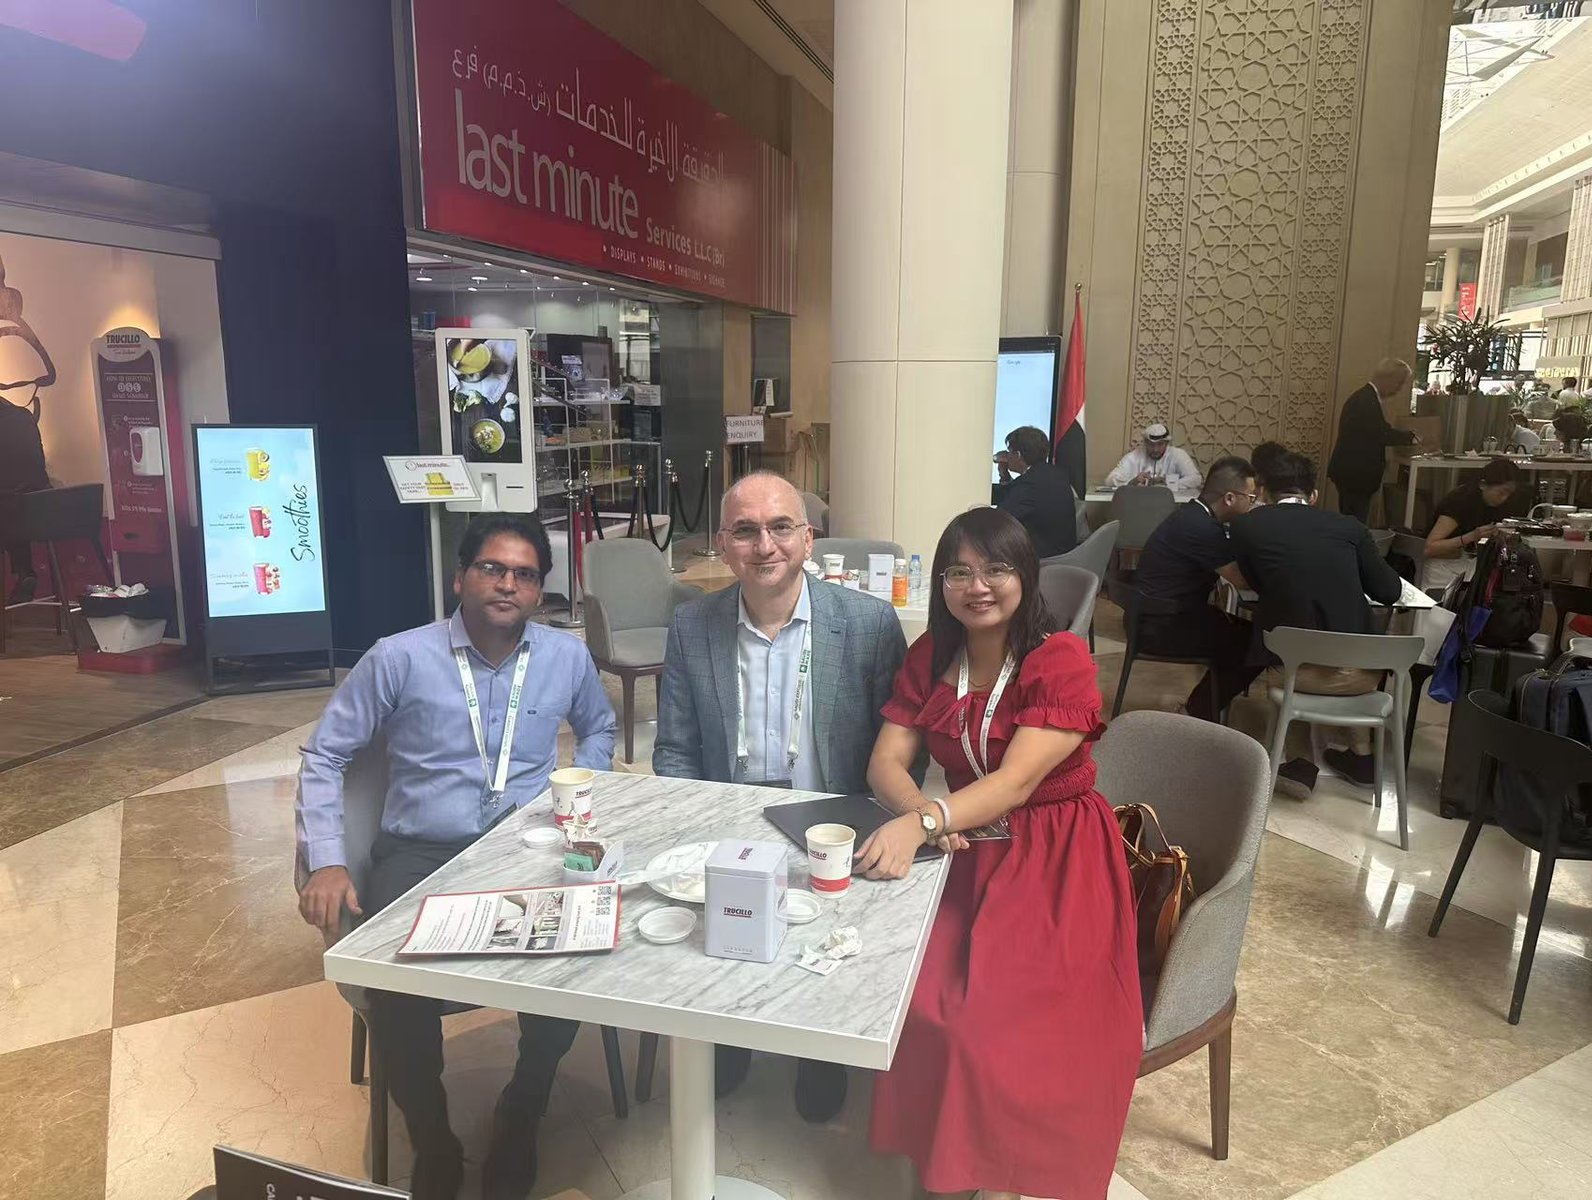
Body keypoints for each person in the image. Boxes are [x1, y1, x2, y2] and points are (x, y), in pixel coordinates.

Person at [296, 514, 616, 1200]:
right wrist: (326, 859)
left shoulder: (566, 658)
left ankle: (524, 1107)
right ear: (460, 578)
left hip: (529, 846)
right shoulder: (399, 657)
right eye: (492, 568)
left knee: (573, 957)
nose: (507, 584)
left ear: (540, 590)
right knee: (396, 981)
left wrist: (579, 796)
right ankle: (432, 1136)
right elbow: (325, 755)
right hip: (422, 851)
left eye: (525, 574)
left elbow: (598, 726)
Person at [858, 506, 1140, 1200]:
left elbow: (1016, 783)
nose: (976, 586)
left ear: (1026, 575)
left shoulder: (1058, 658)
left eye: (996, 569)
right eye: (959, 572)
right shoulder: (933, 653)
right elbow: (885, 761)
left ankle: (998, 1169)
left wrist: (926, 821)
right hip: (965, 845)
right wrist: (924, 816)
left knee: (988, 1029)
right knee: (914, 999)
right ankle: (941, 1164)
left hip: (1057, 855)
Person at [654, 470, 911, 1122]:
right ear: (722, 545)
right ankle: (731, 1037)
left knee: (822, 942)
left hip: (832, 817)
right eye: (745, 531)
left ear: (808, 538)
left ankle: (818, 1052)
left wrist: (875, 819)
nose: (764, 545)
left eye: (780, 527)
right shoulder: (692, 626)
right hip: (729, 813)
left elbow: (905, 743)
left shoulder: (868, 624)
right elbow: (676, 747)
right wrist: (695, 829)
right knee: (726, 931)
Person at [1229, 452, 1402, 797]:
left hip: (1293, 675)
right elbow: (1388, 591)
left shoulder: (1248, 526)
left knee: (1289, 644)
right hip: (1362, 676)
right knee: (1343, 638)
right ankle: (1362, 756)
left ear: (1264, 492)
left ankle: (1300, 762)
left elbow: (1255, 581)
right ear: (1314, 494)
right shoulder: (1350, 528)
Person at [1134, 456, 1262, 719]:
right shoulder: (1202, 528)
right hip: (1162, 627)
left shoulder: (1193, 515)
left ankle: (1200, 708)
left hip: (1154, 616)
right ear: (1229, 498)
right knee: (1257, 645)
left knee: (1246, 636)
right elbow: (1241, 581)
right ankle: (1195, 713)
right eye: (1251, 498)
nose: (1253, 504)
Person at [1327, 357, 1418, 523]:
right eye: (1399, 383)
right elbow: (1380, 433)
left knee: (1352, 521)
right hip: (1356, 475)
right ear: (1389, 378)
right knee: (1355, 523)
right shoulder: (1366, 401)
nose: (1399, 389)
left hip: (1352, 472)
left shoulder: (1365, 397)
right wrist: (1410, 438)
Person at [1419, 457, 1524, 592]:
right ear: (1483, 484)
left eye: (1509, 494)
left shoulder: (1498, 506)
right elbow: (1429, 548)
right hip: (1441, 568)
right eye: (1501, 492)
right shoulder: (1460, 501)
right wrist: (1471, 536)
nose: (1504, 498)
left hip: (1469, 566)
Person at [994, 424, 1078, 558]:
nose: (1006, 456)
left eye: (1008, 452)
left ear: (1017, 455)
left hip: (1043, 558)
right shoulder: (1054, 473)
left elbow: (999, 518)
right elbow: (1012, 494)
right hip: (1065, 552)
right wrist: (1004, 475)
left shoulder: (1030, 483)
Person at [0, 396, 49, 602]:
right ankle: (24, 571)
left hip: (12, 506)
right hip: (44, 506)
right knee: (13, 505)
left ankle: (25, 572)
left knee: (8, 506)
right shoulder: (24, 415)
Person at [1105, 422, 1203, 491]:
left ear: (1166, 443)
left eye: (1160, 444)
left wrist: (1167, 483)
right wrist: (1132, 482)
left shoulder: (1178, 455)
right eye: (1151, 444)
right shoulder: (1134, 456)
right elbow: (1109, 480)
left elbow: (1196, 479)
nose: (1155, 449)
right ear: (1145, 442)